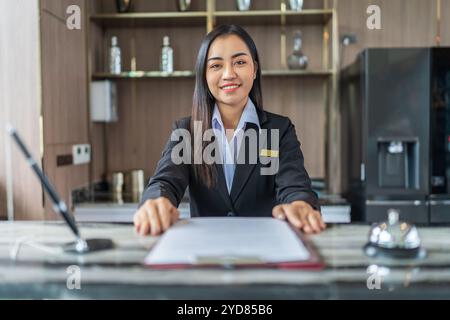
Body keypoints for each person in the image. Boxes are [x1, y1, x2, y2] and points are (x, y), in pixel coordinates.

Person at [133, 24, 326, 236]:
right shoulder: (189, 132)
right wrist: (155, 202)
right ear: (204, 75)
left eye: (240, 62)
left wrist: (300, 204)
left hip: (263, 253)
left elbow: (294, 187)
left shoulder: (278, 131)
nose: (228, 74)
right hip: (206, 256)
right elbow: (165, 181)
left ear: (254, 69)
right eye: (216, 66)